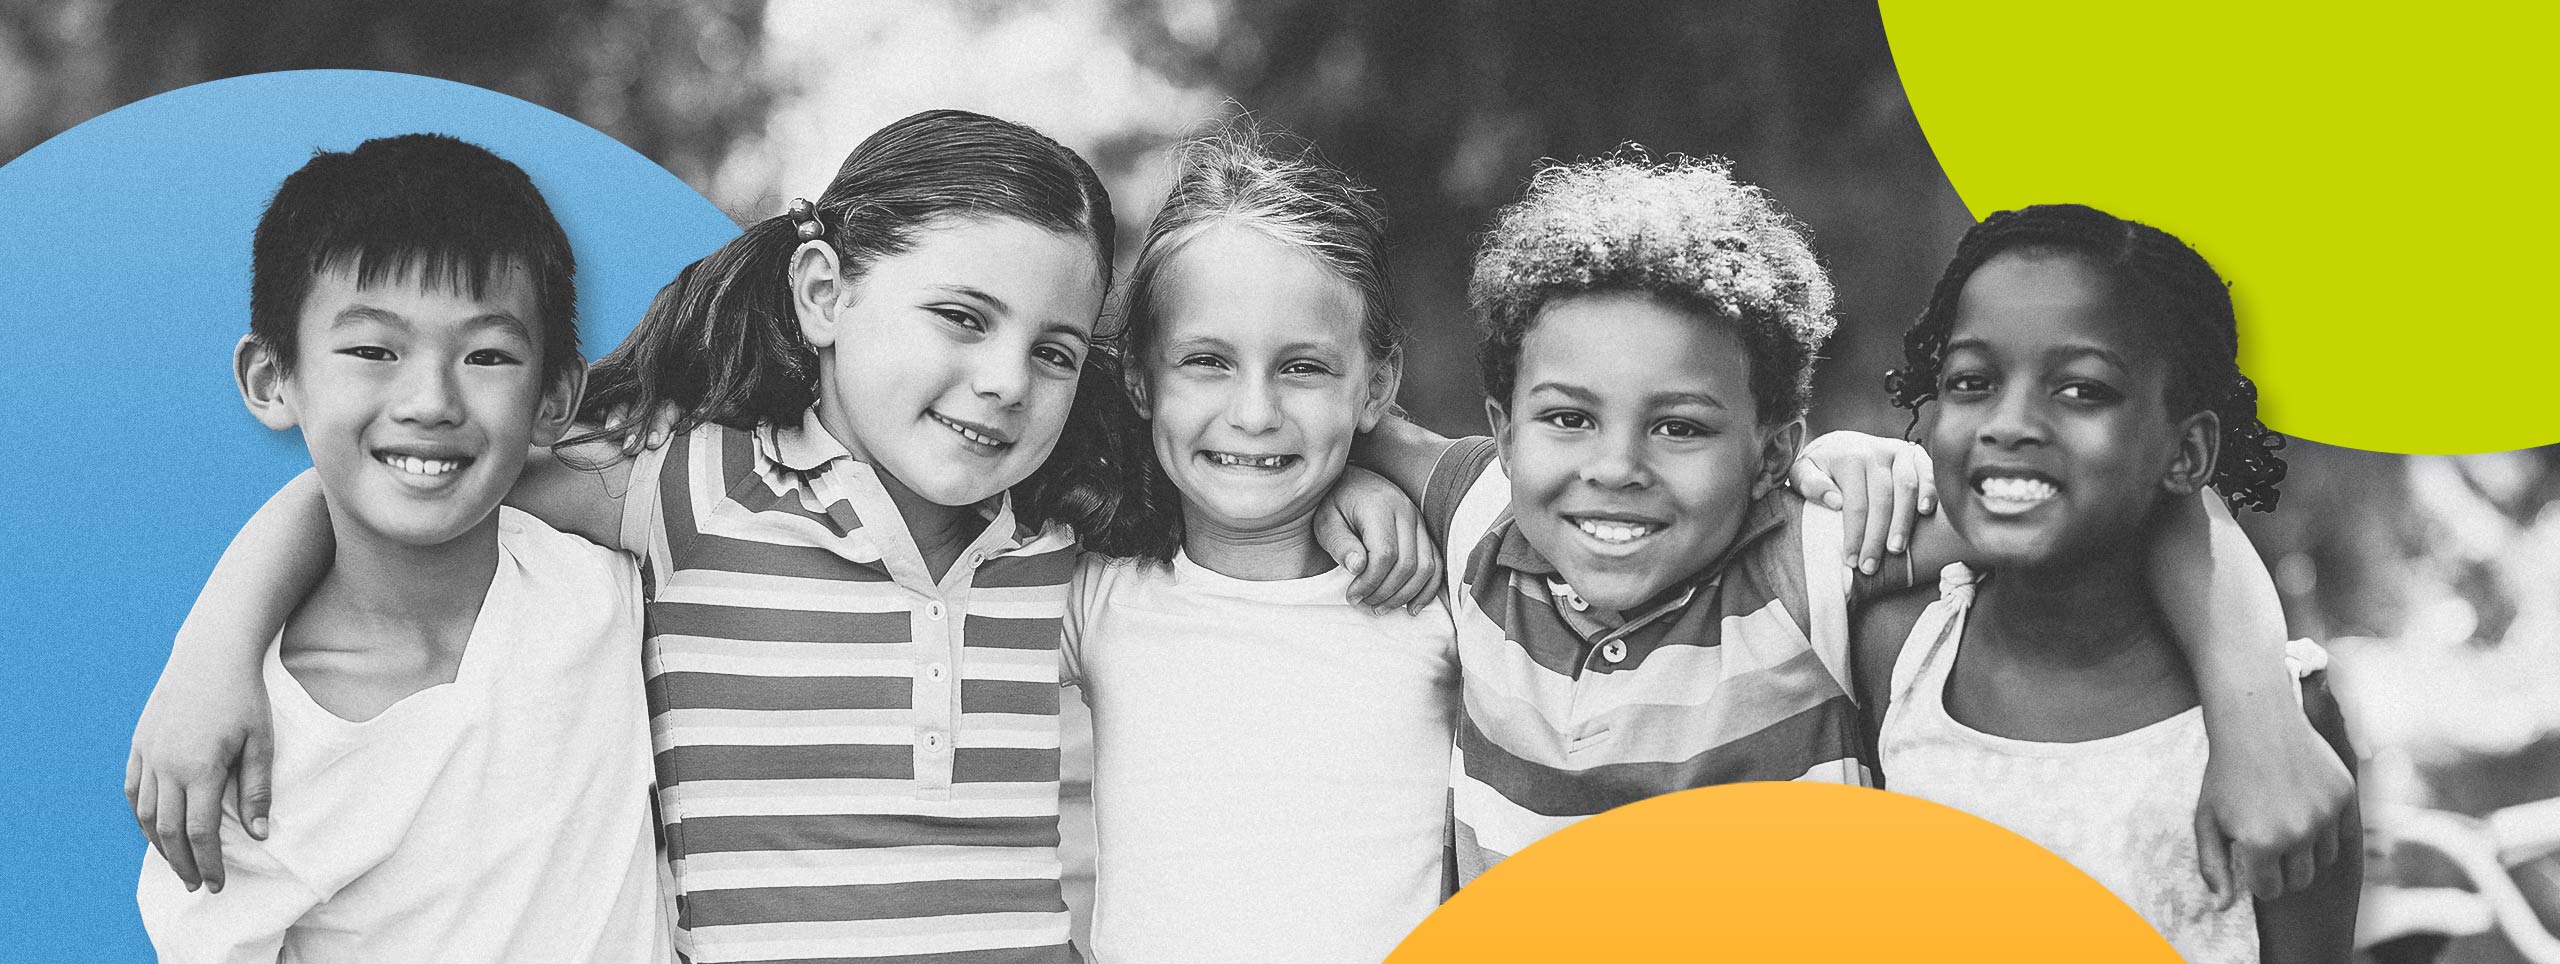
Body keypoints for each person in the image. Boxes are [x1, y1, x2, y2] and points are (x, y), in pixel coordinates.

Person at [125, 110, 1433, 964]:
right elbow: (413, 473)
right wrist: (214, 647)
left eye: (1047, 350)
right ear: (822, 294)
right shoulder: (689, 494)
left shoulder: (1065, 534)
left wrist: (1355, 485)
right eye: (958, 320)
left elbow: (1243, 470)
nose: (1001, 382)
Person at [1353, 155, 2354, 892]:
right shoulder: (1481, 508)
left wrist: (2257, 710)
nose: (1614, 467)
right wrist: (1357, 485)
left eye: (1680, 425)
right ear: (1501, 428)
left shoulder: (1812, 553)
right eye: (1569, 417)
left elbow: (2142, 505)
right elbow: (1324, 424)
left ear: (1773, 450)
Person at [133, 132, 670, 963]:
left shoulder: (607, 592)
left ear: (557, 395)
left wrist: (212, 640)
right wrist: (210, 656)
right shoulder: (247, 749)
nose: (430, 400)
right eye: (373, 350)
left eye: (487, 355)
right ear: (273, 380)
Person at [1856, 203, 2359, 962]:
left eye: (2083, 390)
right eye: (1971, 381)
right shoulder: (1899, 654)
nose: (2010, 422)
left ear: (2186, 453)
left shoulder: (2281, 725)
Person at [1062, 122, 1456, 963]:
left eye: (1303, 368)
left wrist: (1815, 474)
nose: (1254, 412)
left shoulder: (1437, 594)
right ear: (1139, 376)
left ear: (1376, 385)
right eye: (1206, 360)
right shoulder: (1098, 593)